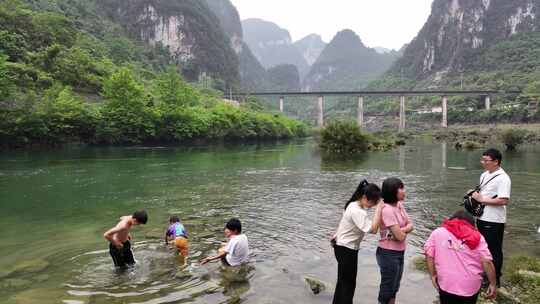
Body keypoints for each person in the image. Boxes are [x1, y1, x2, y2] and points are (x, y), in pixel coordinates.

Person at [424, 210, 497, 303]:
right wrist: (493, 284)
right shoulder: (478, 237)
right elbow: (487, 262)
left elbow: (429, 254)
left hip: (446, 283)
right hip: (469, 286)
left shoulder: (438, 233)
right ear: (471, 223)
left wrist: (433, 274)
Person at [331, 180, 383, 304]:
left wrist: (337, 234)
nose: (375, 204)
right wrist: (379, 210)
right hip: (347, 249)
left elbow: (344, 221)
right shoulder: (357, 211)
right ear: (365, 197)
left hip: (341, 247)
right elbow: (373, 229)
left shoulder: (353, 204)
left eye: (377, 202)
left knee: (343, 282)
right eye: (374, 202)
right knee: (348, 285)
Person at [472, 148, 511, 286]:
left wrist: (481, 199)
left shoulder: (503, 178)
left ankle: (495, 279)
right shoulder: (484, 175)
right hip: (482, 217)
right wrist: (474, 195)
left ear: (496, 162)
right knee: (483, 247)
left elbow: (503, 200)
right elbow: (483, 193)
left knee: (494, 249)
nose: (483, 163)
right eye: (482, 160)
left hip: (494, 220)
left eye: (486, 160)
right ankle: (486, 273)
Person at [376, 177, 413, 304]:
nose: (404, 191)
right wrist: (401, 232)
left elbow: (411, 225)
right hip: (388, 253)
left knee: (394, 287)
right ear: (393, 191)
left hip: (399, 251)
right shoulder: (387, 210)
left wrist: (400, 230)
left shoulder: (399, 205)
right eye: (401, 188)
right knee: (387, 288)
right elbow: (400, 237)